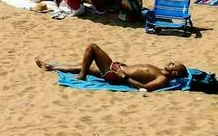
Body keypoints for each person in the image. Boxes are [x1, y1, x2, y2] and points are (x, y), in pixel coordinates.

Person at [36, 45, 188, 91]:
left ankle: (82, 76)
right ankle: (51, 67)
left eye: (174, 64)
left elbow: (145, 88)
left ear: (174, 72)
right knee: (84, 66)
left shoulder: (162, 79)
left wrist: (124, 76)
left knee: (92, 48)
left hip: (115, 74)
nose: (171, 62)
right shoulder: (160, 71)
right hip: (118, 69)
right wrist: (124, 67)